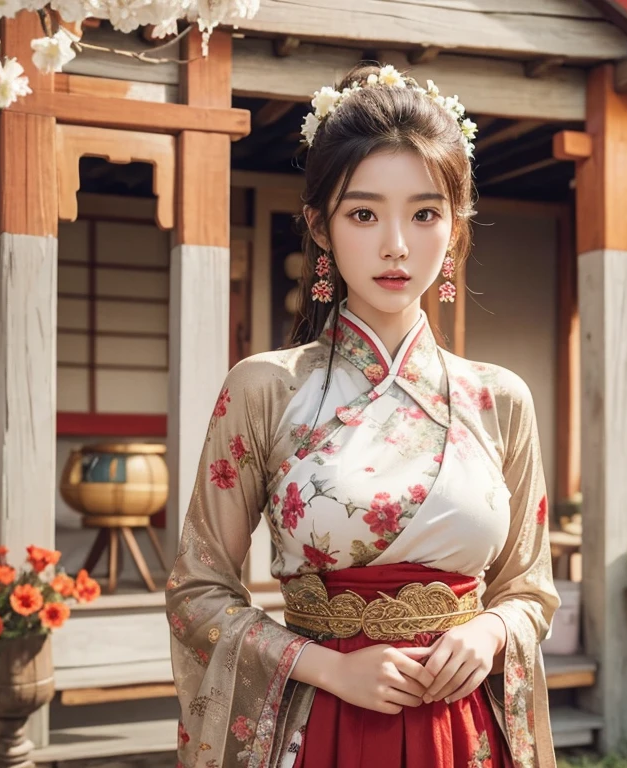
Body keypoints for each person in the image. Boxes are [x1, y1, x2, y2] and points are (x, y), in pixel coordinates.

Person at [166, 62, 559, 768]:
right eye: (364, 213)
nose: (396, 247)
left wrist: (490, 633)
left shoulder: (499, 400)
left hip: (460, 730)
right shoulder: (265, 390)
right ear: (320, 225)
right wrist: (327, 666)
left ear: (456, 225)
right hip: (322, 724)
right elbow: (198, 591)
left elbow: (529, 589)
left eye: (425, 213)